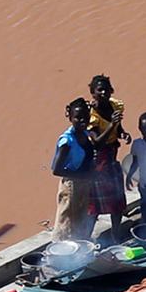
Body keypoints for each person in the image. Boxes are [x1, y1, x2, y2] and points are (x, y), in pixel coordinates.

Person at [83, 75, 129, 237]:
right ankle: (86, 239)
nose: (103, 92)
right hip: (98, 163)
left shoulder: (114, 106)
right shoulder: (91, 115)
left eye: (106, 89)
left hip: (111, 158)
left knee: (117, 201)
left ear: (111, 91)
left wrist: (123, 134)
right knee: (94, 206)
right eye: (99, 90)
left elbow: (118, 127)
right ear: (92, 93)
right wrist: (111, 125)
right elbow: (96, 143)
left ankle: (116, 235)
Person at [50, 98, 96, 240]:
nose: (82, 121)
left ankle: (79, 249)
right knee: (67, 221)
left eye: (85, 117)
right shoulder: (67, 142)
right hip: (71, 185)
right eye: (78, 118)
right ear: (70, 118)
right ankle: (62, 251)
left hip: (84, 183)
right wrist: (80, 175)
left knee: (81, 217)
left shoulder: (86, 135)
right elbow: (56, 169)